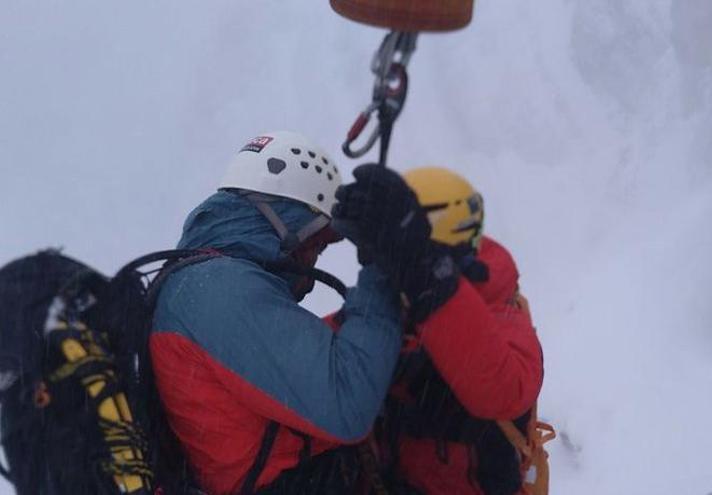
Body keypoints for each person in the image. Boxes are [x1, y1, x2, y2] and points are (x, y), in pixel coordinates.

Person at [149, 131, 403, 495]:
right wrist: (383, 275)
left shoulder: (200, 282)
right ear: (282, 220)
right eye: (314, 243)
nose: (313, 262)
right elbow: (347, 404)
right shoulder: (221, 290)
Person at [332, 165, 544, 495]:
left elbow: (503, 390)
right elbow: (327, 352)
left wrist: (427, 279)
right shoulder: (396, 300)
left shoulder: (503, 312)